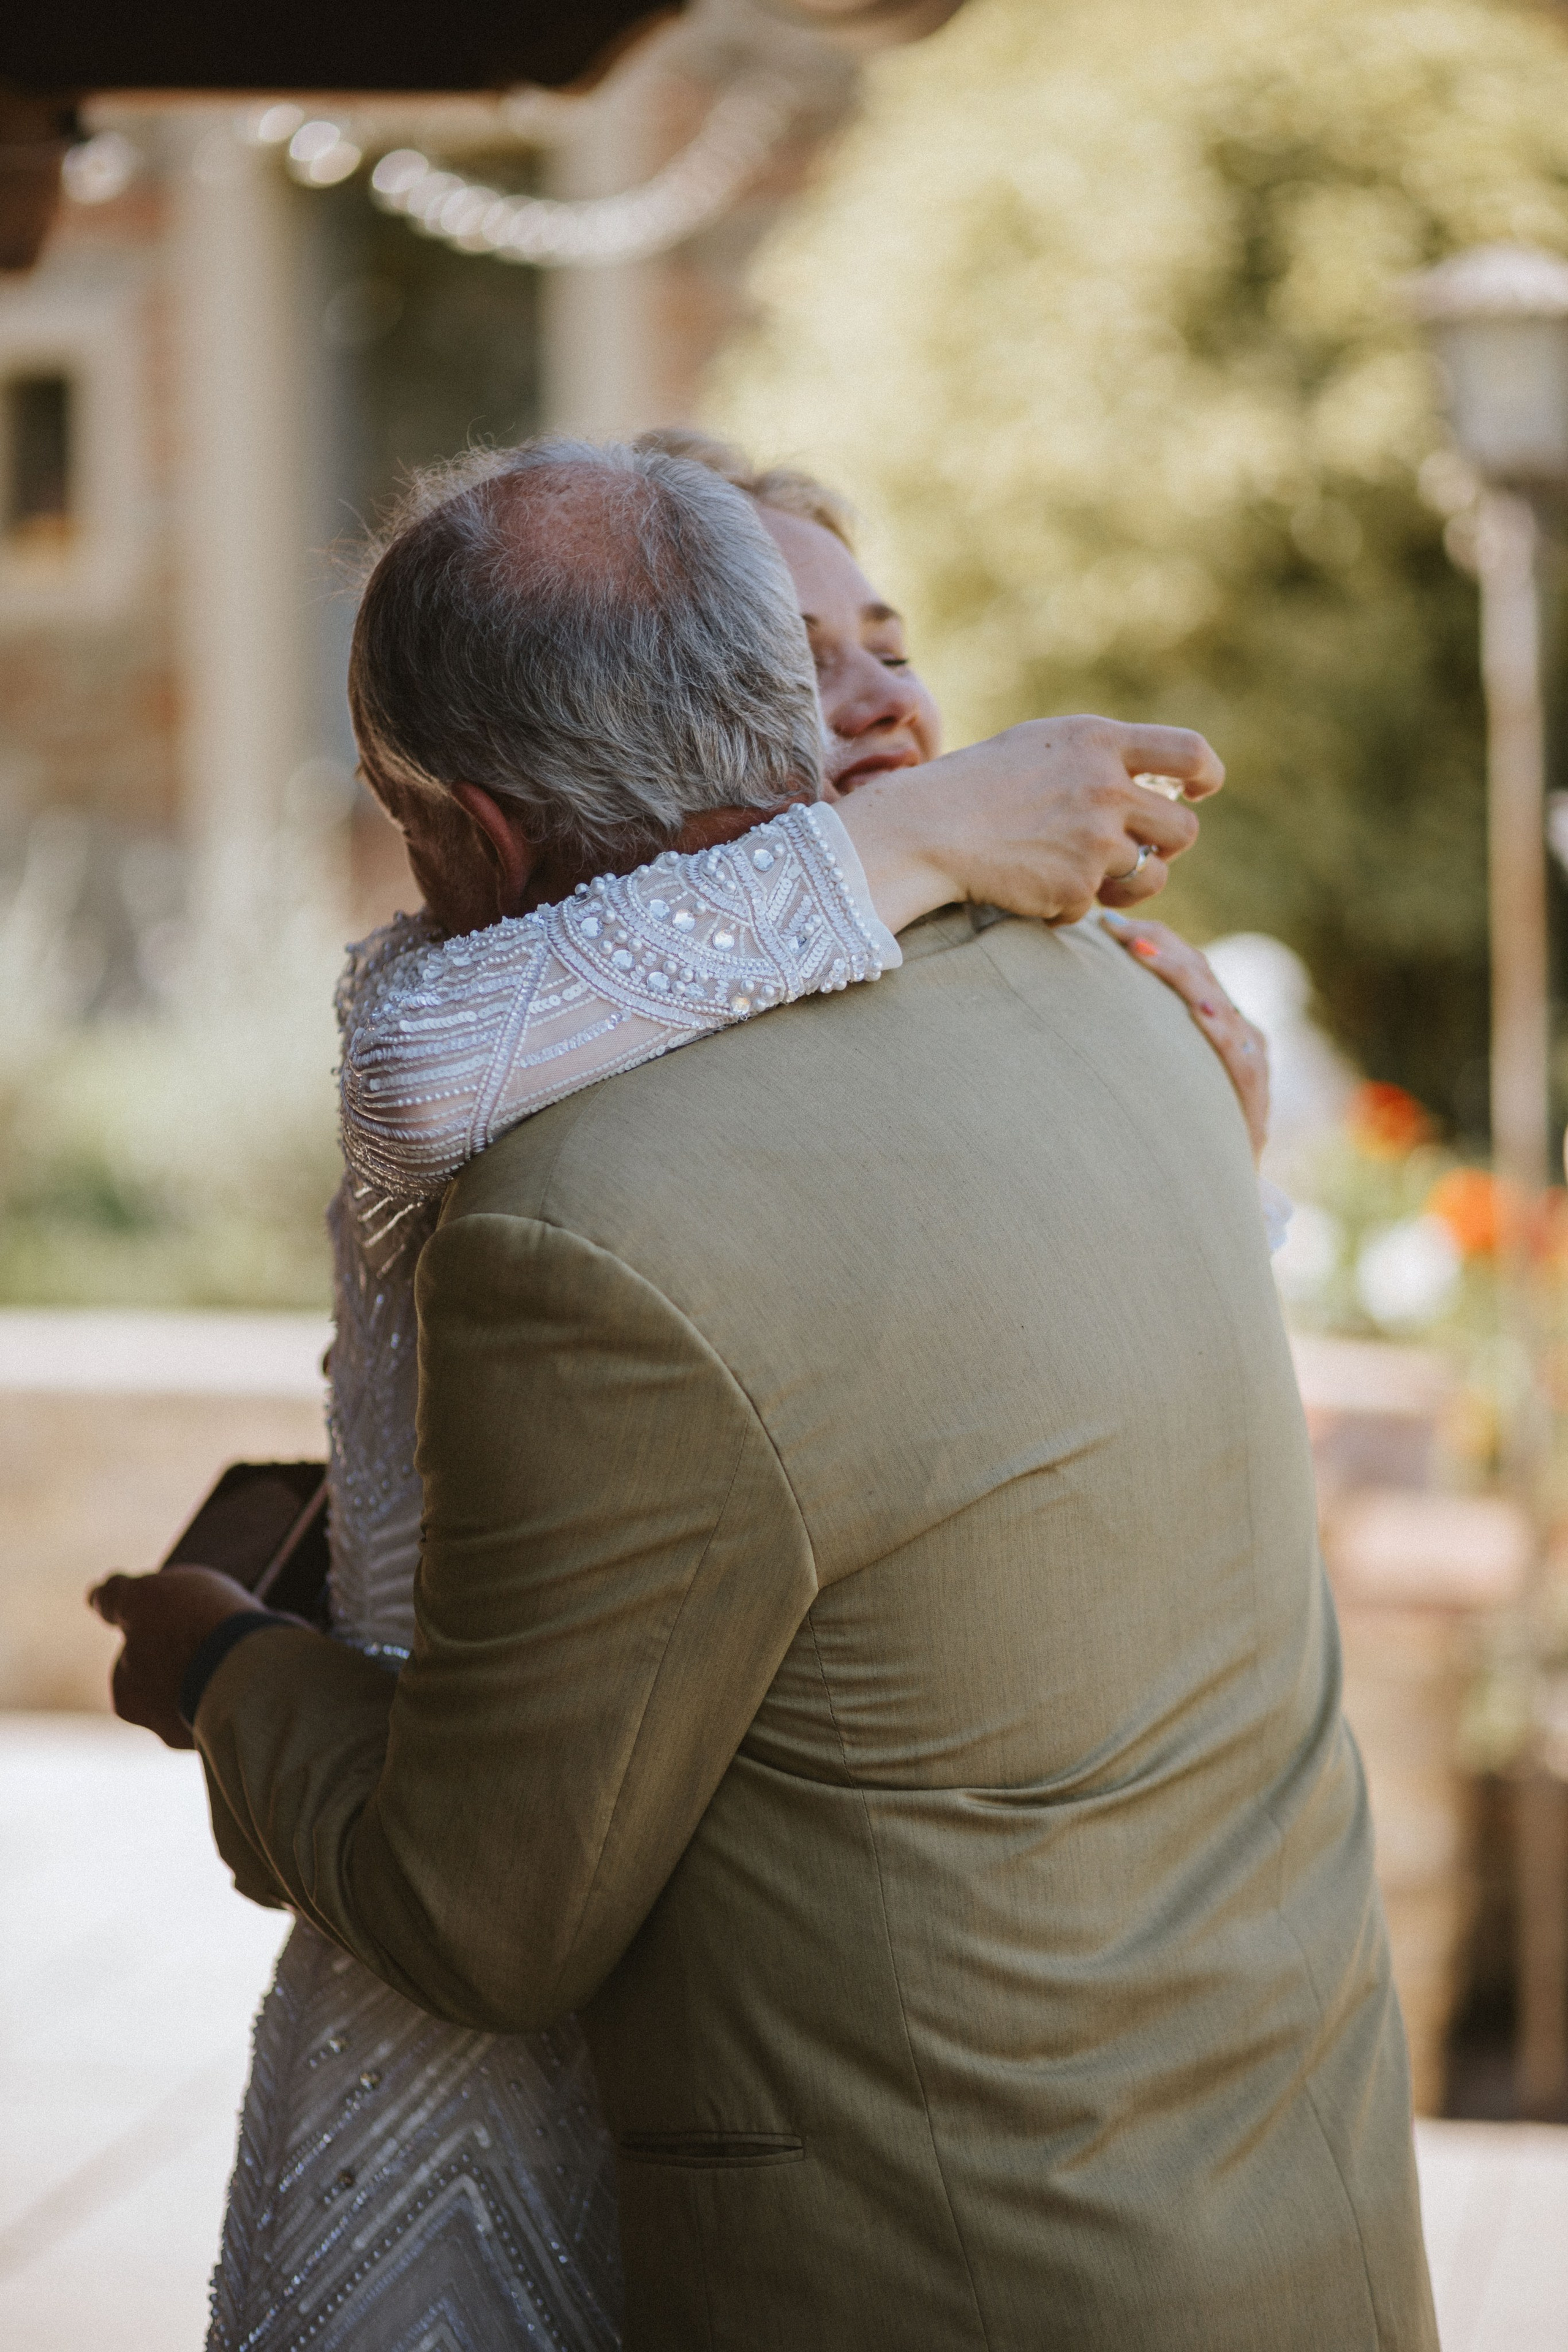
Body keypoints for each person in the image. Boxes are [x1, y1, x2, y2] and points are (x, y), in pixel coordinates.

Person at [96, 438, 1434, 2350]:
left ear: (466, 826)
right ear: (762, 717)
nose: (887, 702)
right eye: (819, 659)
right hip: (1293, 2195)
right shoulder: (1125, 1006)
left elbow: (491, 1918)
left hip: (965, 2260)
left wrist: (220, 1670)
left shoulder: (596, 1211)